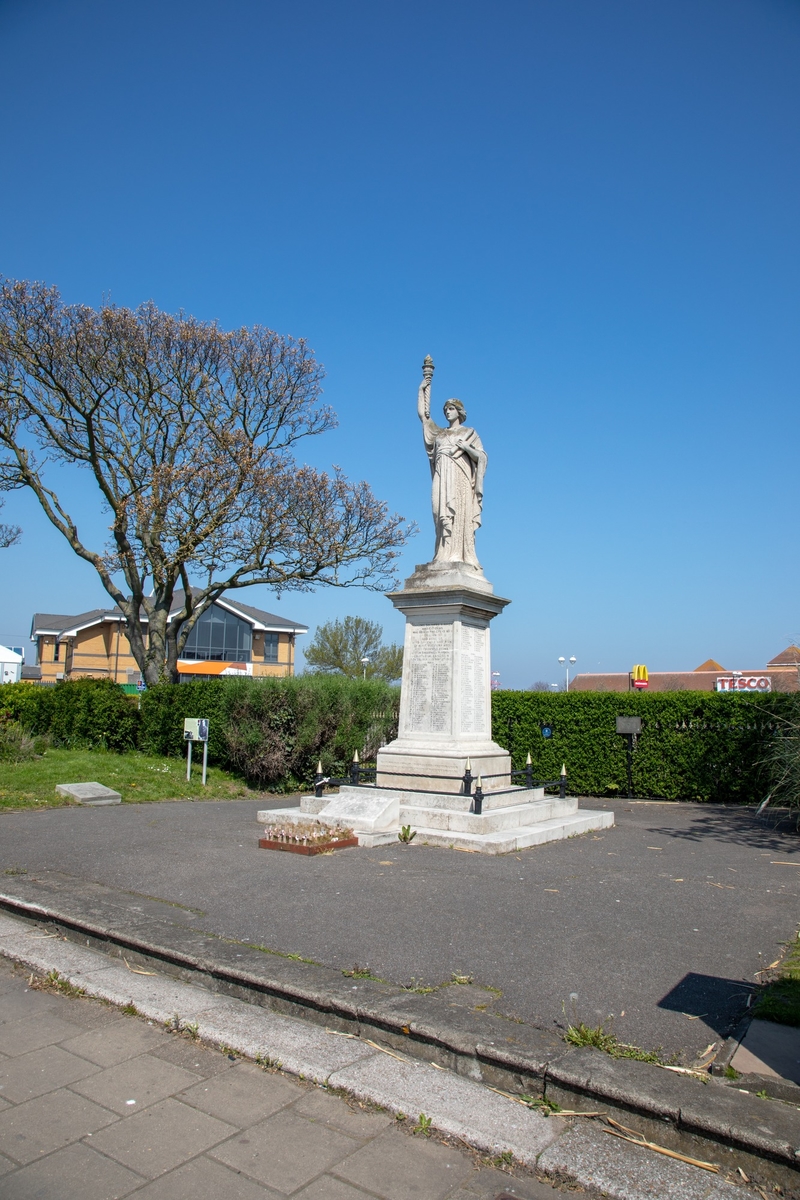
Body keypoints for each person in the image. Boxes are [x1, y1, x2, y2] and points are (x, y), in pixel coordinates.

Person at [417, 370, 487, 568]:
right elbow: (423, 417)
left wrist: (466, 448)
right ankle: (442, 553)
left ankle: (458, 554)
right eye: (445, 409)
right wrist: (422, 389)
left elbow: (482, 457)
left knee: (458, 515)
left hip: (460, 477)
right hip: (442, 476)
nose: (447, 411)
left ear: (459, 411)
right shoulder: (439, 434)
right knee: (440, 512)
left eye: (451, 408)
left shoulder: (469, 433)